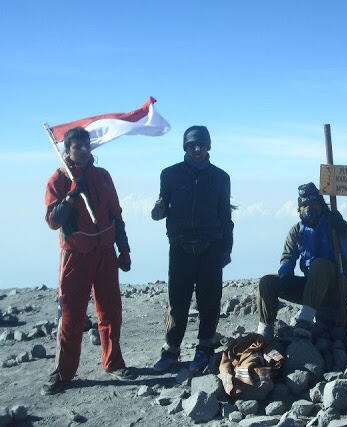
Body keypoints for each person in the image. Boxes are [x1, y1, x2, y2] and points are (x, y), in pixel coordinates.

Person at [42, 126, 134, 395]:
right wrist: (71, 195)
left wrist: (124, 249)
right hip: (75, 256)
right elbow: (52, 220)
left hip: (105, 253)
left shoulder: (103, 176)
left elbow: (115, 214)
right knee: (71, 316)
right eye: (77, 146)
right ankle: (64, 372)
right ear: (67, 150)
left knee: (111, 312)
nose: (83, 150)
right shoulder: (59, 179)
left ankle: (114, 363)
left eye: (86, 145)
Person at [151, 125, 233, 373]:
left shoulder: (221, 177)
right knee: (177, 301)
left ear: (208, 147)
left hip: (211, 248)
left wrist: (226, 249)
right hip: (180, 248)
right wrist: (159, 210)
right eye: (191, 145)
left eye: (201, 145)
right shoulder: (170, 175)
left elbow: (225, 216)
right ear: (185, 147)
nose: (196, 149)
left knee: (210, 301)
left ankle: (204, 349)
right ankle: (171, 350)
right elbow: (162, 207)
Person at [256, 183, 347, 341]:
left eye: (313, 204)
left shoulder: (335, 225)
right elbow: (287, 257)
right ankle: (264, 331)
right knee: (267, 282)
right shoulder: (297, 231)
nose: (309, 209)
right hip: (313, 287)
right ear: (299, 208)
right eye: (305, 205)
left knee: (320, 265)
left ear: (321, 205)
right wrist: (286, 277)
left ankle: (304, 322)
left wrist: (343, 230)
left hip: (339, 286)